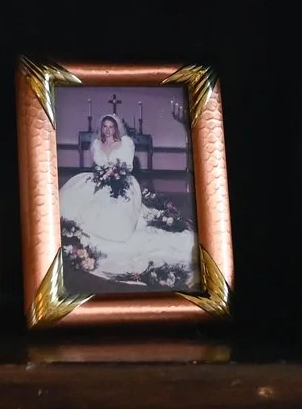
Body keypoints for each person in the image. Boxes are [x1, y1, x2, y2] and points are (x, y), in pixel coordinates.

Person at [55, 112, 197, 290]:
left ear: (116, 128)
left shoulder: (126, 143)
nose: (107, 130)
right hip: (100, 180)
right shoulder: (97, 144)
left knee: (115, 208)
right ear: (101, 128)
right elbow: (98, 165)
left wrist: (115, 173)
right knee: (78, 194)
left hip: (122, 180)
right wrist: (103, 175)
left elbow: (128, 166)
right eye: (104, 126)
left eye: (111, 126)